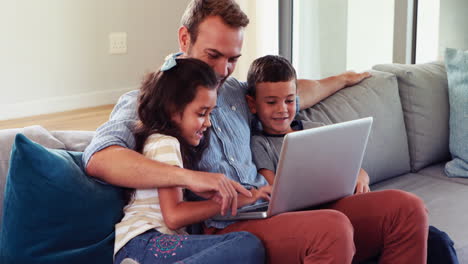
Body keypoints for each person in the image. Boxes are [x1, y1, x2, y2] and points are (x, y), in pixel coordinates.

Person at [83, 0, 421, 263]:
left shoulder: (234, 93)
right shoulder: (149, 100)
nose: (221, 70)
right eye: (213, 55)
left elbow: (288, 96)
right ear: (185, 38)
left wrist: (343, 79)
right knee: (331, 229)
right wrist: (190, 178)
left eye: (232, 59)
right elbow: (100, 159)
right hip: (226, 224)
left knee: (405, 209)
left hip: (268, 206)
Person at [114, 57, 265, 264]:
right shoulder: (165, 143)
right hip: (145, 243)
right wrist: (241, 200)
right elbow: (174, 215)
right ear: (173, 110)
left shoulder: (168, 144)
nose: (209, 123)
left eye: (210, 113)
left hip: (146, 246)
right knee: (246, 244)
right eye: (202, 114)